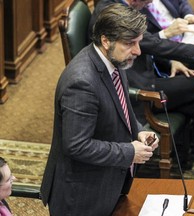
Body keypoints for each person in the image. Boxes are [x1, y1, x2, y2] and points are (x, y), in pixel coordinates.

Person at [40, 4, 159, 216]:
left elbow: (120, 106)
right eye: (130, 43)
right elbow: (76, 145)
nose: (138, 51)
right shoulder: (81, 83)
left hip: (108, 182)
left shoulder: (113, 60)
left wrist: (138, 129)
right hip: (81, 197)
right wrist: (129, 152)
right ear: (106, 40)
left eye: (139, 42)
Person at [89, 0, 194, 163]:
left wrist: (170, 62)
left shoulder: (127, 7)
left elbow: (146, 48)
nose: (152, 3)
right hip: (139, 92)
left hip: (151, 74)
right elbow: (151, 44)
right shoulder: (111, 12)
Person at [141, 0, 194, 71]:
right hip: (166, 52)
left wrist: (188, 17)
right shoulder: (132, 9)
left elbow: (182, 2)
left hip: (188, 35)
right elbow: (143, 43)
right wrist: (165, 33)